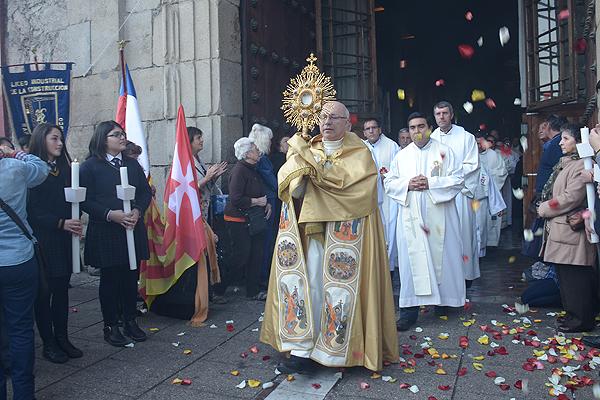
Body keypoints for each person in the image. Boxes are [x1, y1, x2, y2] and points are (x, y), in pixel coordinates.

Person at [260, 101, 399, 373]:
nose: (327, 122)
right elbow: (291, 192)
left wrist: (315, 175)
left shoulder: (361, 154)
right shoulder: (306, 150)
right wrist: (299, 170)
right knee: (309, 287)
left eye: (334, 117)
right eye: (323, 117)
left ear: (348, 124)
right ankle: (303, 350)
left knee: (338, 292)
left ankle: (336, 353)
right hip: (312, 236)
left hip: (347, 238)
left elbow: (359, 193)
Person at [384, 112, 465, 330]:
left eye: (421, 126)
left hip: (440, 217)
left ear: (429, 127)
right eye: (412, 128)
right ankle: (409, 311)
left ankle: (443, 303)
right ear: (408, 131)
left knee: (443, 259)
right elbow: (389, 182)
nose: (417, 131)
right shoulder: (402, 156)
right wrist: (407, 184)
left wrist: (431, 183)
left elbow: (458, 179)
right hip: (411, 218)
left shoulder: (444, 151)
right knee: (412, 264)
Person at [80, 121, 152, 347]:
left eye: (123, 134)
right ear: (103, 139)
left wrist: (138, 211)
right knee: (110, 280)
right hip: (107, 229)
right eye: (116, 135)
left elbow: (144, 192)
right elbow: (84, 200)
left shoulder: (132, 164)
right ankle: (111, 324)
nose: (122, 138)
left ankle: (130, 320)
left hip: (131, 226)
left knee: (131, 277)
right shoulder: (90, 167)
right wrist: (111, 214)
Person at [27, 123, 83, 364]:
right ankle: (48, 342)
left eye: (61, 139)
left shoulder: (66, 170)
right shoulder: (33, 171)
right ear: (42, 140)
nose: (60, 144)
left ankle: (62, 337)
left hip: (64, 237)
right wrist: (60, 222)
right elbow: (32, 209)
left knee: (61, 290)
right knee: (45, 292)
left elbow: (74, 199)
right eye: (54, 139)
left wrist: (76, 216)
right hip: (44, 238)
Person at [0, 142, 49, 400]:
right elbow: (41, 169)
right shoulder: (15, 168)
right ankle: (23, 394)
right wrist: (16, 152)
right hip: (18, 259)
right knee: (20, 329)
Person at [538, 123, 597, 332]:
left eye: (565, 139)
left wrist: (544, 208)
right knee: (565, 276)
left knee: (575, 277)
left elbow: (571, 197)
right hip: (561, 229)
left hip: (571, 231)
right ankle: (573, 315)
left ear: (578, 142)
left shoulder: (581, 164)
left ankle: (580, 319)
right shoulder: (567, 163)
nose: (561, 143)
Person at [431, 101, 480, 285]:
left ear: (451, 114)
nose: (441, 117)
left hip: (460, 192)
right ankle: (447, 277)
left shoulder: (465, 137)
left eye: (444, 113)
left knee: (464, 234)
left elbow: (473, 164)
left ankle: (466, 276)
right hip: (440, 194)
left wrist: (451, 176)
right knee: (442, 235)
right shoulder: (431, 138)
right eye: (438, 114)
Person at [223, 137, 269, 300]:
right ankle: (219, 287)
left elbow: (257, 190)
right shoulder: (239, 170)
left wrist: (266, 204)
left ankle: (253, 291)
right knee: (241, 256)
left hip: (253, 219)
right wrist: (257, 201)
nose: (259, 152)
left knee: (256, 254)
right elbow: (235, 198)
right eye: (256, 149)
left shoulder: (252, 168)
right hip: (238, 220)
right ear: (248, 153)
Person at [188, 127, 226, 303]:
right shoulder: (185, 162)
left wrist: (213, 177)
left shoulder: (198, 160)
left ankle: (209, 291)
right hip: (195, 214)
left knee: (210, 250)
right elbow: (187, 189)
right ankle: (201, 293)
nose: (202, 141)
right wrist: (207, 176)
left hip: (206, 210)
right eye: (198, 138)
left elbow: (205, 187)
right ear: (189, 141)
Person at [362, 118, 400, 276]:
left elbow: (399, 170)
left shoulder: (392, 146)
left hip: (387, 197)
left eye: (373, 128)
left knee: (388, 232)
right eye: (367, 129)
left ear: (380, 129)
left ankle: (388, 270)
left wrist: (388, 177)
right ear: (364, 132)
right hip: (368, 197)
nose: (371, 131)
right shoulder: (360, 147)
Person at [248, 124, 278, 290]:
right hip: (268, 200)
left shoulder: (254, 159)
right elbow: (273, 183)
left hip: (260, 200)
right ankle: (263, 276)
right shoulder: (264, 159)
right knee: (267, 238)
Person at [478, 135, 508, 248]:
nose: (479, 146)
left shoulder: (493, 155)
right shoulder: (472, 156)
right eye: (476, 143)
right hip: (479, 195)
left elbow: (502, 172)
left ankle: (491, 244)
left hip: (493, 193)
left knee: (492, 220)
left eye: (480, 143)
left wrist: (489, 180)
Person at [496, 137, 520, 228]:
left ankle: (507, 222)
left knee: (507, 200)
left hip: (506, 180)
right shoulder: (494, 155)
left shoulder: (510, 154)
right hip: (495, 183)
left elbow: (513, 165)